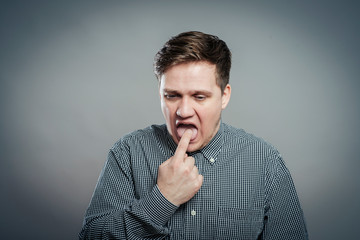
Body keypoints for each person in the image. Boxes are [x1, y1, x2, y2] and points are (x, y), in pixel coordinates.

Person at [79, 31, 308, 239]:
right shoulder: (128, 153)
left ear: (224, 96)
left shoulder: (265, 162)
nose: (184, 111)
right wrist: (162, 200)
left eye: (199, 97)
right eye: (172, 95)